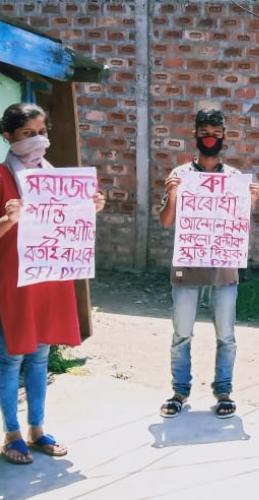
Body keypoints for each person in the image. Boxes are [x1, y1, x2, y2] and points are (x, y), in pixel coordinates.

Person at [0, 103, 105, 464]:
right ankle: (12, 435)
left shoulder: (55, 178)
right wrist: (8, 220)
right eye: (29, 134)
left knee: (40, 357)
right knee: (11, 358)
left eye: (42, 132)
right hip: (12, 284)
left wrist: (90, 206)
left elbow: (69, 221)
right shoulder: (0, 178)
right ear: (8, 136)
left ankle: (38, 429)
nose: (38, 140)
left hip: (47, 279)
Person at [158, 108, 259, 419]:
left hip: (224, 267)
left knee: (226, 334)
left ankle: (224, 391)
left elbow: (241, 227)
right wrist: (173, 196)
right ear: (195, 135)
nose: (210, 138)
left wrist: (251, 202)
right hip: (187, 265)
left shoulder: (234, 179)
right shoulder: (181, 176)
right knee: (182, 334)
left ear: (224, 137)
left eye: (216, 132)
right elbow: (165, 222)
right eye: (205, 132)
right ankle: (179, 391)